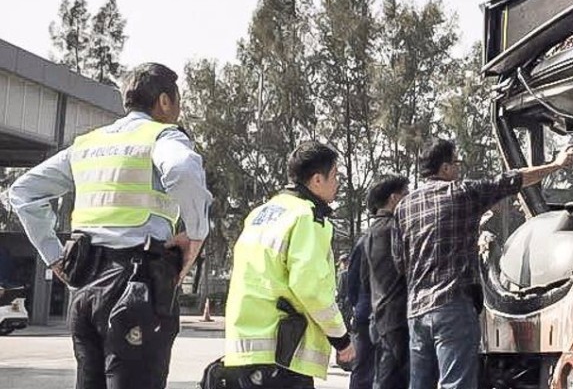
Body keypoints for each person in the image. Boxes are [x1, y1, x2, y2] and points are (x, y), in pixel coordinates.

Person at [8, 62, 211, 389]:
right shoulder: (162, 136)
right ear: (164, 101)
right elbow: (183, 170)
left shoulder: (87, 144)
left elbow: (23, 192)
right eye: (178, 101)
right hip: (137, 285)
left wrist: (53, 256)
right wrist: (197, 234)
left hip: (85, 287)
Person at [395, 139, 573, 389]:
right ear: (445, 168)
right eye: (456, 164)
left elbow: (399, 262)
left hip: (417, 311)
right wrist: (556, 164)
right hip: (452, 307)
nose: (458, 170)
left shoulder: (404, 207)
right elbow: (512, 180)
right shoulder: (461, 193)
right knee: (456, 384)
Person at [223, 142, 355, 388]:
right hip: (283, 349)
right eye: (335, 175)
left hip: (246, 347)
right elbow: (311, 287)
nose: (337, 183)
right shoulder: (307, 217)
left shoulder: (262, 213)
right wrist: (341, 338)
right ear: (317, 180)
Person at [362, 175, 410, 389]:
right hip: (398, 318)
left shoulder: (369, 233)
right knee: (393, 381)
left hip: (379, 316)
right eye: (406, 194)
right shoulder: (395, 229)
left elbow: (362, 282)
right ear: (394, 198)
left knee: (384, 378)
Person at [345, 210, 376, 389]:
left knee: (363, 369)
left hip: (365, 311)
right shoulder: (399, 235)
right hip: (386, 314)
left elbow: (352, 281)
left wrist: (359, 304)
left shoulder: (363, 242)